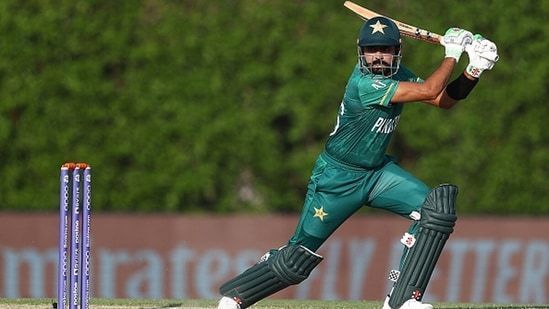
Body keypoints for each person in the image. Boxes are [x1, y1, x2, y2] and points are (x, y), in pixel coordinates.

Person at [217, 16, 498, 309]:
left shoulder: (397, 73)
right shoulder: (364, 84)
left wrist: (474, 70)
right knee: (298, 255)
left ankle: (402, 300)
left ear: (397, 50)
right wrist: (452, 52)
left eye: (385, 49)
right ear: (360, 51)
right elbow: (429, 90)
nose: (377, 56)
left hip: (376, 174)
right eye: (371, 50)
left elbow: (442, 100)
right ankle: (236, 296)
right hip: (336, 178)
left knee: (436, 209)